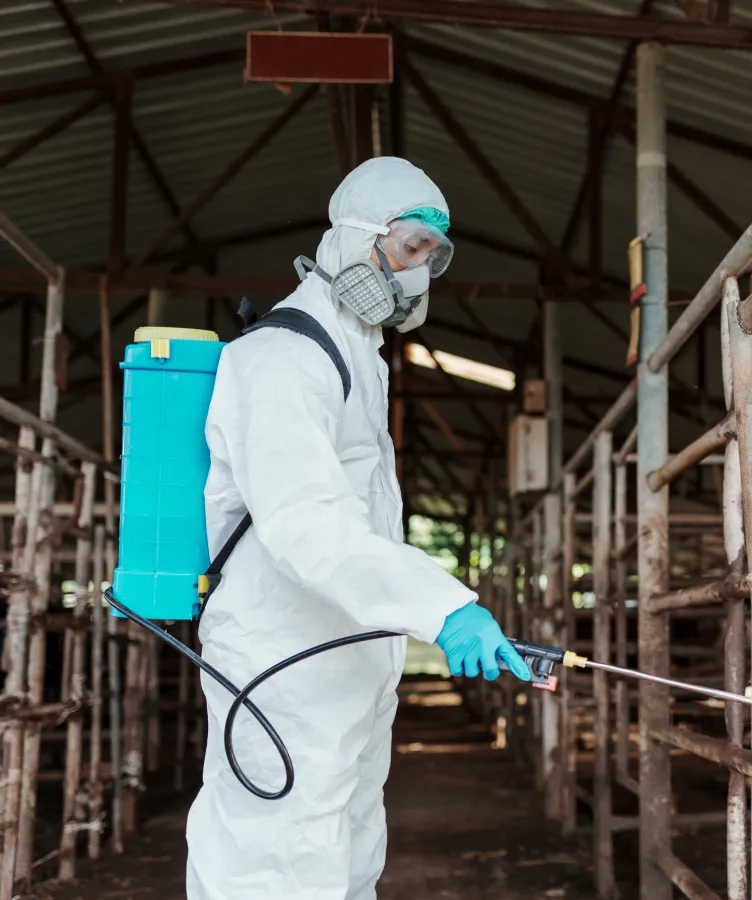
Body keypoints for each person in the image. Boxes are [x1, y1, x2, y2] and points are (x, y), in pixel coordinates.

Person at [185, 157, 530, 900]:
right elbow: (307, 523)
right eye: (408, 248)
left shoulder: (359, 361)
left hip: (346, 661)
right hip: (283, 662)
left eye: (432, 256)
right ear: (351, 238)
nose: (418, 274)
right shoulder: (281, 357)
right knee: (276, 865)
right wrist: (443, 605)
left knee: (346, 856)